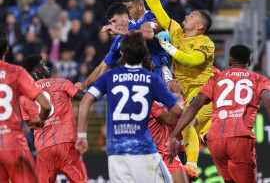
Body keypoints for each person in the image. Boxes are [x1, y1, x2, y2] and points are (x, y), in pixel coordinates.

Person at [126, 0, 215, 181]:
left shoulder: (206, 43)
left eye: (191, 16)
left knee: (187, 122)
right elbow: (157, 7)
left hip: (203, 92)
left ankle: (191, 166)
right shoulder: (176, 31)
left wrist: (169, 49)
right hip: (184, 92)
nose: (186, 16)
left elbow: (191, 60)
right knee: (210, 138)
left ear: (200, 26)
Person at [75, 31, 184, 183]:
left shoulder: (109, 76)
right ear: (143, 52)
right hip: (145, 151)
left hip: (116, 153)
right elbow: (175, 113)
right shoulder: (151, 79)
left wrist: (81, 136)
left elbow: (86, 101)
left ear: (123, 54)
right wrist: (177, 95)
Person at [169, 44, 270, 183]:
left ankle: (194, 158)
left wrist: (174, 134)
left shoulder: (216, 79)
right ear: (250, 62)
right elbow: (268, 100)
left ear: (229, 61)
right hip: (240, 138)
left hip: (216, 141)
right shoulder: (258, 79)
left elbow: (195, 106)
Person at [20, 55, 88, 183]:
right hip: (66, 144)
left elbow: (30, 126)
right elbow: (86, 99)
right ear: (37, 71)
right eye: (43, 64)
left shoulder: (24, 97)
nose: (46, 67)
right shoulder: (62, 82)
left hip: (43, 148)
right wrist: (84, 86)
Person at [0, 30, 51, 182]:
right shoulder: (16, 72)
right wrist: (40, 119)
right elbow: (46, 105)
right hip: (14, 143)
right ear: (7, 50)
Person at [76, 2, 154, 90]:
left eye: (114, 21)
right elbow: (102, 67)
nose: (113, 26)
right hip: (140, 84)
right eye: (110, 22)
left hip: (159, 77)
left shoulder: (140, 24)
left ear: (125, 17)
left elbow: (149, 34)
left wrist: (119, 32)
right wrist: (84, 84)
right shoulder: (118, 42)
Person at [149, 78, 189, 183]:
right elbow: (170, 119)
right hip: (153, 155)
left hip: (166, 154)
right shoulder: (149, 98)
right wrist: (175, 93)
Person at [123, 0, 169, 77]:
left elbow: (158, 26)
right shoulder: (129, 24)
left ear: (141, 6)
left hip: (155, 62)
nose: (127, 12)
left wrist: (151, 25)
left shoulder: (151, 15)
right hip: (137, 63)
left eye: (129, 8)